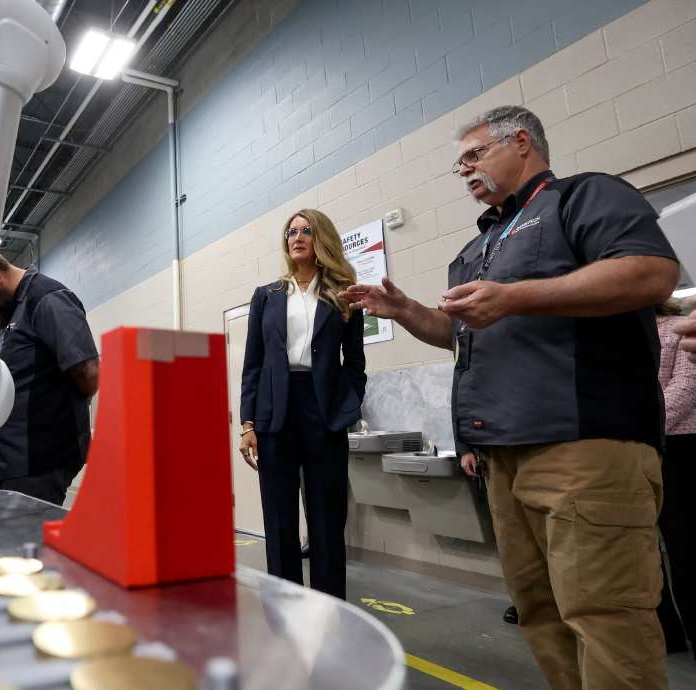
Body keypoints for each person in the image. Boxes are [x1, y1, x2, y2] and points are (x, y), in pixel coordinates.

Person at [341, 105, 678, 689]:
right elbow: (460, 335)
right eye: (460, 163)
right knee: (540, 614)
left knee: (604, 615)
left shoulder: (584, 197)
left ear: (521, 142)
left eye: (474, 155)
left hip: (583, 443)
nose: (465, 169)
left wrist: (516, 296)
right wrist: (406, 311)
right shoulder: (478, 247)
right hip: (502, 456)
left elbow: (651, 273)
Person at [238, 208, 366, 599]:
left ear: (320, 238)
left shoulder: (343, 294)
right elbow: (253, 364)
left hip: (324, 411)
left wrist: (349, 403)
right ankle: (285, 607)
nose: (297, 237)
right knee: (278, 518)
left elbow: (356, 362)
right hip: (275, 410)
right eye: (291, 231)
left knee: (327, 518)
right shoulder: (267, 297)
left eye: (306, 230)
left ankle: (330, 609)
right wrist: (247, 424)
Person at [0, 254, 99, 506]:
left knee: (18, 543)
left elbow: (88, 374)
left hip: (37, 463)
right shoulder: (8, 312)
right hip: (7, 461)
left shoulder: (47, 298)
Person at [656, 299, 696, 659]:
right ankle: (665, 631)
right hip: (632, 450)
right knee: (642, 553)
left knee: (684, 547)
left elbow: (684, 389)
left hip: (679, 447)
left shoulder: (677, 327)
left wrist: (640, 428)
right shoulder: (617, 337)